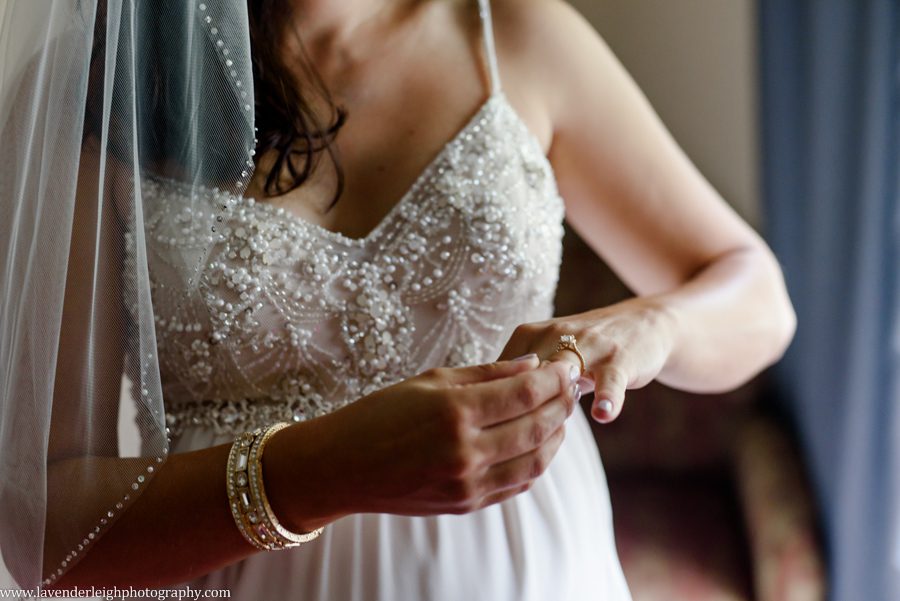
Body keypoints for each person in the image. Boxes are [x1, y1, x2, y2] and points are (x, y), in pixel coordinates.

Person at [0, 0, 795, 599]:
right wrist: (328, 469)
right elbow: (44, 529)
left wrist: (653, 322)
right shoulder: (96, 93)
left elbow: (755, 292)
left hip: (538, 573)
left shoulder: (513, 31)